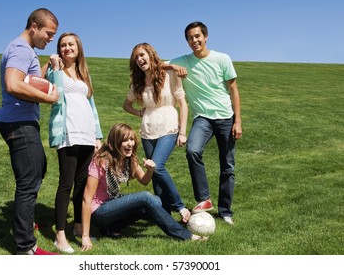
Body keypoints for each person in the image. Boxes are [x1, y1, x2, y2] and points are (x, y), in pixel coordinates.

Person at [81, 123, 207, 251]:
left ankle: (111, 227)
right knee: (145, 198)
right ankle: (184, 234)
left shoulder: (129, 160)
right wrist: (85, 235)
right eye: (125, 140)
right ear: (115, 142)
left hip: (112, 203)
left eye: (131, 139)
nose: (130, 143)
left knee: (155, 201)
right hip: (99, 211)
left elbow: (144, 180)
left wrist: (150, 170)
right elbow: (87, 199)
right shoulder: (100, 162)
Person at [0, 8, 60, 255]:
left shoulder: (25, 51)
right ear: (34, 26)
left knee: (38, 168)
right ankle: (26, 247)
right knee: (28, 182)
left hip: (19, 122)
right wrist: (49, 98)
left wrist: (43, 68)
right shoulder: (21, 49)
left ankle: (25, 223)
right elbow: (13, 84)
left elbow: (26, 80)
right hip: (19, 123)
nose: (50, 38)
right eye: (48, 33)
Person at [168, 21, 242, 225]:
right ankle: (204, 199)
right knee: (192, 150)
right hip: (202, 118)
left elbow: (234, 90)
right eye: (190, 38)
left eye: (197, 36)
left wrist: (238, 121)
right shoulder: (183, 61)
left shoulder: (222, 58)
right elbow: (156, 64)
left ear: (205, 37)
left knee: (227, 166)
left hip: (226, 118)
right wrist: (173, 66)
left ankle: (225, 211)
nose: (194, 41)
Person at [42, 32, 103, 253]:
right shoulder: (54, 70)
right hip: (67, 132)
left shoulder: (84, 73)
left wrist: (97, 136)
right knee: (66, 183)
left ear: (78, 48)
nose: (67, 48)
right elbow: (55, 94)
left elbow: (92, 107)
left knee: (81, 184)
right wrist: (56, 68)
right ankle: (60, 235)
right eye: (63, 45)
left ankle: (78, 226)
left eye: (71, 44)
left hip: (87, 134)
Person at [123, 43, 191, 223]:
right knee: (153, 173)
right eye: (136, 57)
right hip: (147, 130)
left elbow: (183, 104)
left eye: (142, 55)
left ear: (151, 55)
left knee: (157, 166)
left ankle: (180, 206)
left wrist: (182, 132)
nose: (139, 59)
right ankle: (163, 213)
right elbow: (126, 105)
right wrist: (139, 113)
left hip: (169, 125)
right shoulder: (138, 82)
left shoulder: (169, 73)